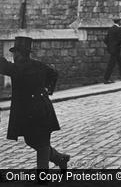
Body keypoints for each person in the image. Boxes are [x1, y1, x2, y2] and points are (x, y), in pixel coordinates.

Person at [0, 37, 70, 173]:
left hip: (37, 113)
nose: (13, 56)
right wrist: (47, 89)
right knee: (32, 140)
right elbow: (53, 73)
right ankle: (60, 158)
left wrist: (45, 90)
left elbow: (2, 65)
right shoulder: (38, 65)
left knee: (42, 144)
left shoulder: (17, 68)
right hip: (40, 110)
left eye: (15, 53)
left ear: (20, 53)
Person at [104, 18, 121, 84]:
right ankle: (106, 79)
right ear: (118, 22)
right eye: (120, 21)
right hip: (115, 50)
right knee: (111, 64)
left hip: (113, 49)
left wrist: (110, 46)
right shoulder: (118, 30)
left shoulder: (111, 29)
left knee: (120, 61)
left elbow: (105, 40)